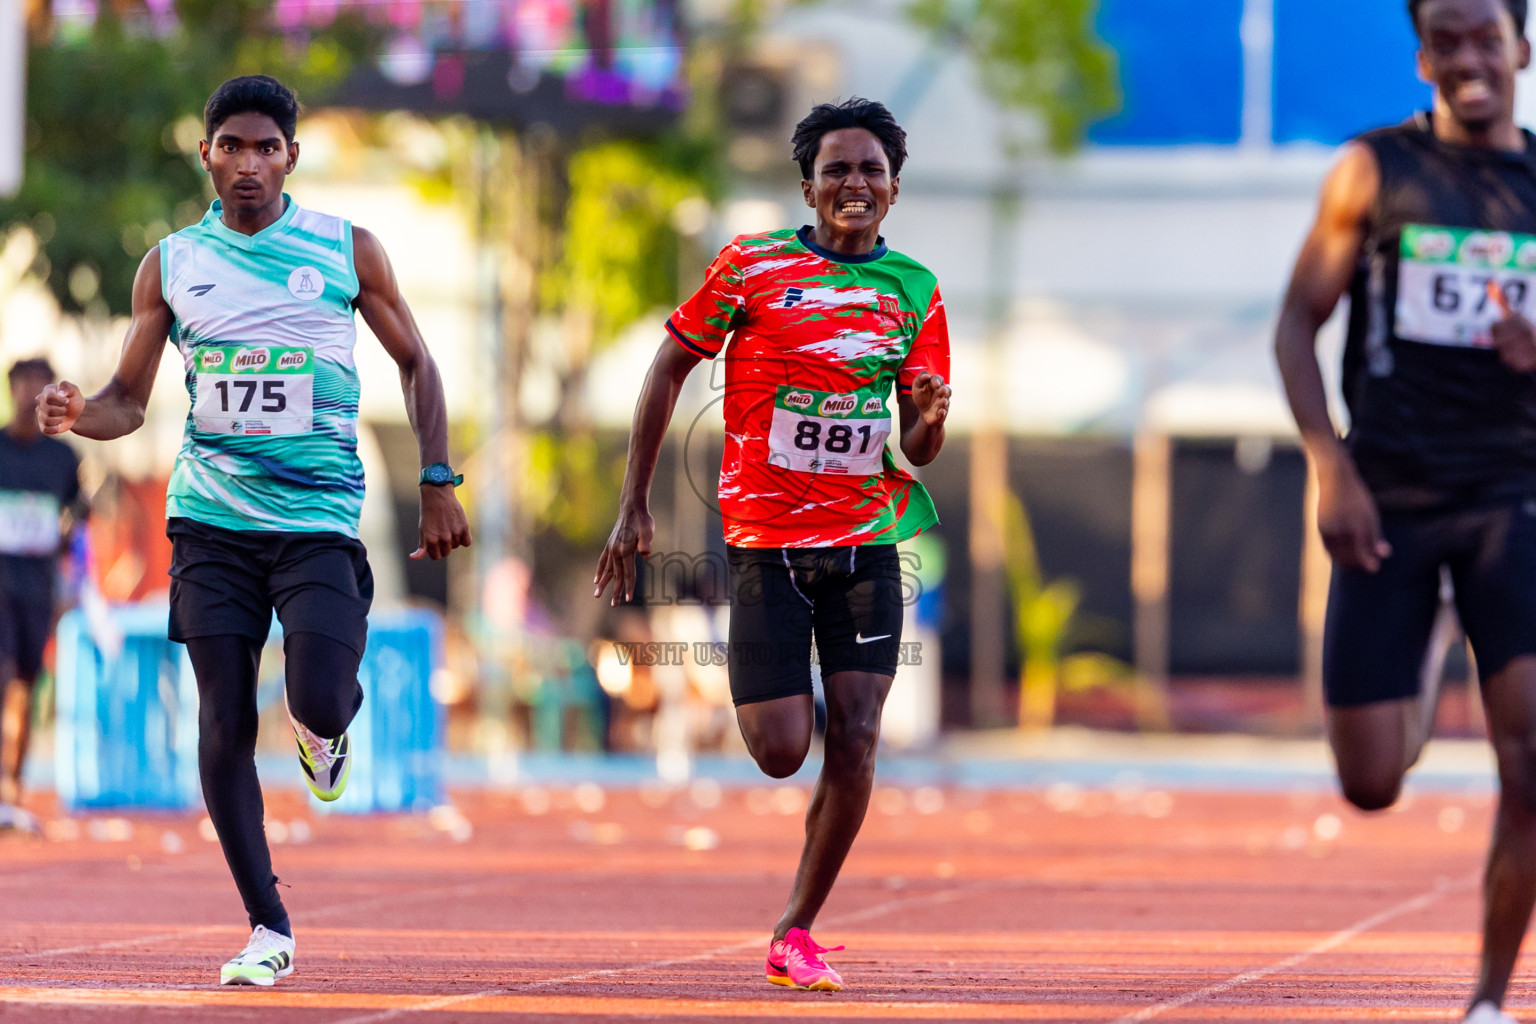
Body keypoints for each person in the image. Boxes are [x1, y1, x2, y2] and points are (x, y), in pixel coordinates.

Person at [37, 75, 471, 987]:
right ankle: (267, 924)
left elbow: (418, 363)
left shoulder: (347, 250)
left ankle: (326, 732)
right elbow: (126, 403)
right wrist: (78, 409)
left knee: (316, 695)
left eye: (265, 147)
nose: (247, 163)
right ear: (206, 154)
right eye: (230, 145)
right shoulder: (170, 263)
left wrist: (437, 478)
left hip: (316, 521)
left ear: (292, 157)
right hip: (211, 525)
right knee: (223, 720)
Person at [595, 97, 952, 992]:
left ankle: (797, 928)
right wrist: (633, 503)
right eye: (838, 168)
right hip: (766, 544)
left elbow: (919, 443)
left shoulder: (914, 290)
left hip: (868, 542)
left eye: (871, 169)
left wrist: (929, 418)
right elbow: (668, 366)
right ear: (809, 185)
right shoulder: (751, 267)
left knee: (860, 734)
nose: (855, 183)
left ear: (894, 188)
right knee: (782, 749)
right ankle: (799, 712)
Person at [1275, 2, 1536, 1021]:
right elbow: (1298, 323)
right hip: (1389, 492)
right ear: (1425, 56)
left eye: (1489, 36)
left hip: (1515, 492)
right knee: (1372, 781)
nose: (1470, 58)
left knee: (1530, 759)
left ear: (1522, 46)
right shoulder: (1373, 170)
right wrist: (1330, 468)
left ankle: (1486, 1000)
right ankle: (1429, 637)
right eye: (1449, 40)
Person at [0, 358, 84, 831]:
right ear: (10, 388)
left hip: (37, 588)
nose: (30, 394)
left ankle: (12, 789)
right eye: (23, 384)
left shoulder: (64, 460)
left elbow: (78, 525)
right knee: (1, 675)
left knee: (26, 686)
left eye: (41, 386)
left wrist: (74, 584)